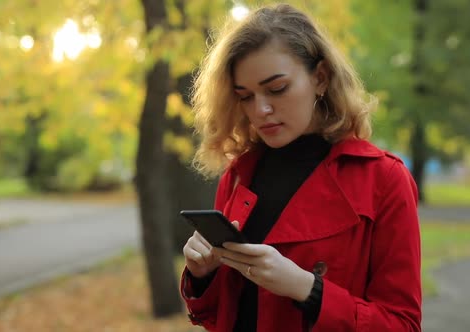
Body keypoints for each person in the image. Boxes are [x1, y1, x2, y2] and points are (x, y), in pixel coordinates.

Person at [180, 3, 421, 332]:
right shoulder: (238, 175)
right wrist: (203, 275)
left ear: (320, 78)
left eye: (276, 89)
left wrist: (308, 289)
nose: (261, 109)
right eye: (245, 96)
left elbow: (402, 324)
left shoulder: (383, 179)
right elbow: (223, 316)